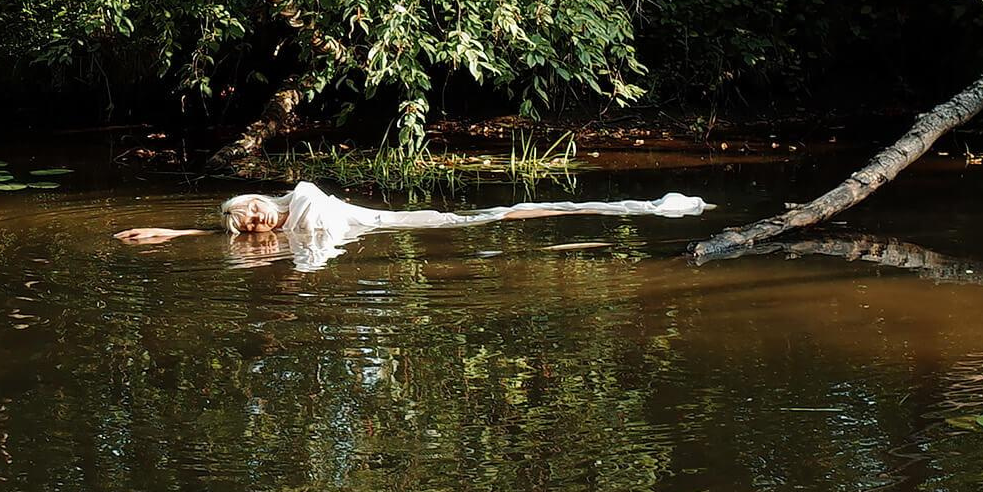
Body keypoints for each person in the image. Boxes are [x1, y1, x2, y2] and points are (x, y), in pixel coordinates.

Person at [115, 180, 711, 270]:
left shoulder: (302, 199)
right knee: (488, 219)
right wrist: (180, 234)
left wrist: (189, 233)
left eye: (249, 214)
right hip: (399, 226)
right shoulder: (289, 226)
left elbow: (306, 241)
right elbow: (291, 241)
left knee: (488, 218)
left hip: (402, 220)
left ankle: (652, 209)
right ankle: (646, 210)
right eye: (247, 228)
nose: (254, 223)